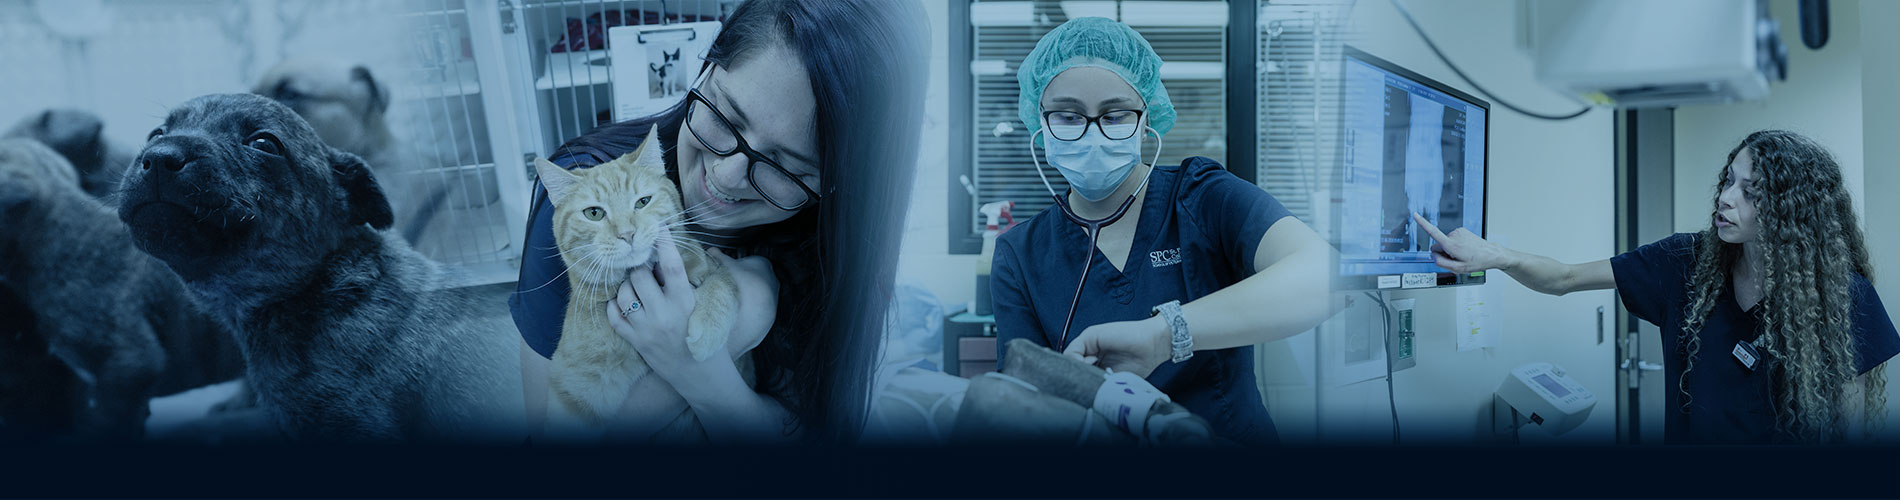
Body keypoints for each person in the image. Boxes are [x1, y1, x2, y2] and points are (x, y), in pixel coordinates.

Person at [508, 0, 927, 443]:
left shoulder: (827, 251)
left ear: (837, 188)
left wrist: (711, 381)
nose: (726, 177)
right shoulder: (581, 202)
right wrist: (740, 323)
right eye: (725, 117)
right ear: (705, 71)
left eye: (784, 166)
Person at [1417, 130, 1898, 443]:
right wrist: (1497, 257)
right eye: (1728, 181)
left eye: (1749, 192)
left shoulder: (1843, 298)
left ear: (1791, 213)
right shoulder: (1685, 262)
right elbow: (1563, 278)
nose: (1726, 199)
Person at [989, 17, 1338, 446]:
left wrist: (1163, 335)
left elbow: (1328, 278)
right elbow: (1026, 408)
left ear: (1147, 118)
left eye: (1116, 115)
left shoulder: (1202, 197)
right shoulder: (1019, 255)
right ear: (1040, 124)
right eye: (1067, 115)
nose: (1092, 133)